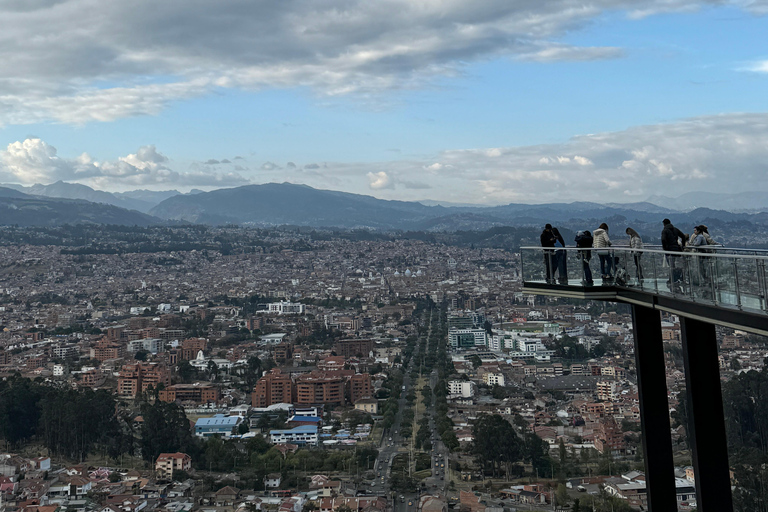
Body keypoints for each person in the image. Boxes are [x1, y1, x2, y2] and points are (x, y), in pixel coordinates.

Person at [661, 219, 688, 290]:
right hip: (676, 250)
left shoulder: (665, 231)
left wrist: (665, 248)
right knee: (674, 265)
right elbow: (683, 236)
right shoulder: (675, 229)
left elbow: (663, 239)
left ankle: (672, 279)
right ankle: (674, 279)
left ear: (664, 224)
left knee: (671, 266)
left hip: (669, 250)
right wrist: (683, 245)